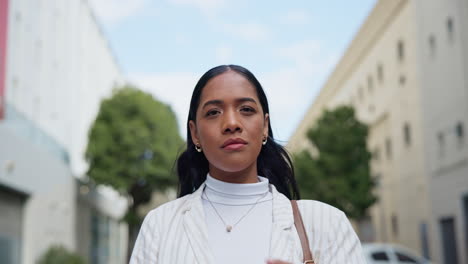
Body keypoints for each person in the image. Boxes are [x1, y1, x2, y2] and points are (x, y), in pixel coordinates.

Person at [130, 65, 366, 264]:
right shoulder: (160, 226)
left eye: (246, 109)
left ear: (264, 126)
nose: (231, 123)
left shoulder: (326, 223)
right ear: (195, 134)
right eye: (213, 112)